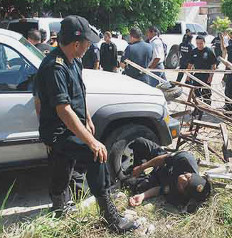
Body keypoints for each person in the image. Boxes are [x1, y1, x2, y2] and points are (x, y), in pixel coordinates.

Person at [34, 15, 137, 233]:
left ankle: (59, 208)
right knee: (96, 154)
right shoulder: (54, 67)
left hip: (72, 126)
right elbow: (62, 109)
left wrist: (88, 118)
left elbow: (79, 94)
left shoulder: (75, 61)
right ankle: (111, 217)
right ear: (76, 43)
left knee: (62, 166)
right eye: (88, 43)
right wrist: (91, 142)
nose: (90, 47)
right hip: (58, 131)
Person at [127, 138, 212, 213]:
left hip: (159, 179)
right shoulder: (186, 160)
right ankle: (137, 165)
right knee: (140, 142)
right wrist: (141, 167)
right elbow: (163, 159)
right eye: (188, 176)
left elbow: (160, 189)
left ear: (185, 193)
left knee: (131, 184)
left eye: (184, 185)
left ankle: (131, 172)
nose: (182, 178)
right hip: (163, 163)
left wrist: (142, 196)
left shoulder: (179, 198)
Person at [186, 35, 217, 105]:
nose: (199, 45)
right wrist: (188, 76)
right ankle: (197, 109)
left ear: (204, 42)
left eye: (201, 43)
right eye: (197, 43)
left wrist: (211, 76)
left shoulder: (209, 51)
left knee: (206, 94)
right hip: (196, 76)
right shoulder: (194, 51)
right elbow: (190, 65)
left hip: (206, 76)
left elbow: (213, 65)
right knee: (196, 94)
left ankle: (207, 108)